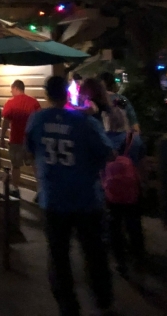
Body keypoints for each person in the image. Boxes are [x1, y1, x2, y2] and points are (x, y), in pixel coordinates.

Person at [26, 75, 115, 316]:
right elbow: (109, 154)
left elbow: (30, 149)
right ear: (67, 93)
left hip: (53, 198)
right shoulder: (84, 122)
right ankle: (103, 300)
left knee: (58, 255)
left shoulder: (37, 119)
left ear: (47, 94)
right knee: (94, 252)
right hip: (86, 198)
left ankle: (68, 306)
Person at [104, 108, 146, 277]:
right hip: (131, 189)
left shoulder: (103, 139)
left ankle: (120, 262)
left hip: (110, 190)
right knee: (134, 224)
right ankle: (139, 259)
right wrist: (143, 184)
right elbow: (142, 165)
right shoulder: (135, 139)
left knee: (114, 226)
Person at [0, 79, 41, 191]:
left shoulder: (10, 103)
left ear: (16, 88)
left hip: (16, 141)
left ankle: (15, 189)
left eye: (11, 89)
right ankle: (41, 190)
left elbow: (5, 122)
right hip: (31, 140)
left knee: (16, 166)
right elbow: (38, 120)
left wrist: (2, 137)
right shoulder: (34, 102)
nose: (11, 92)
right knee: (35, 166)